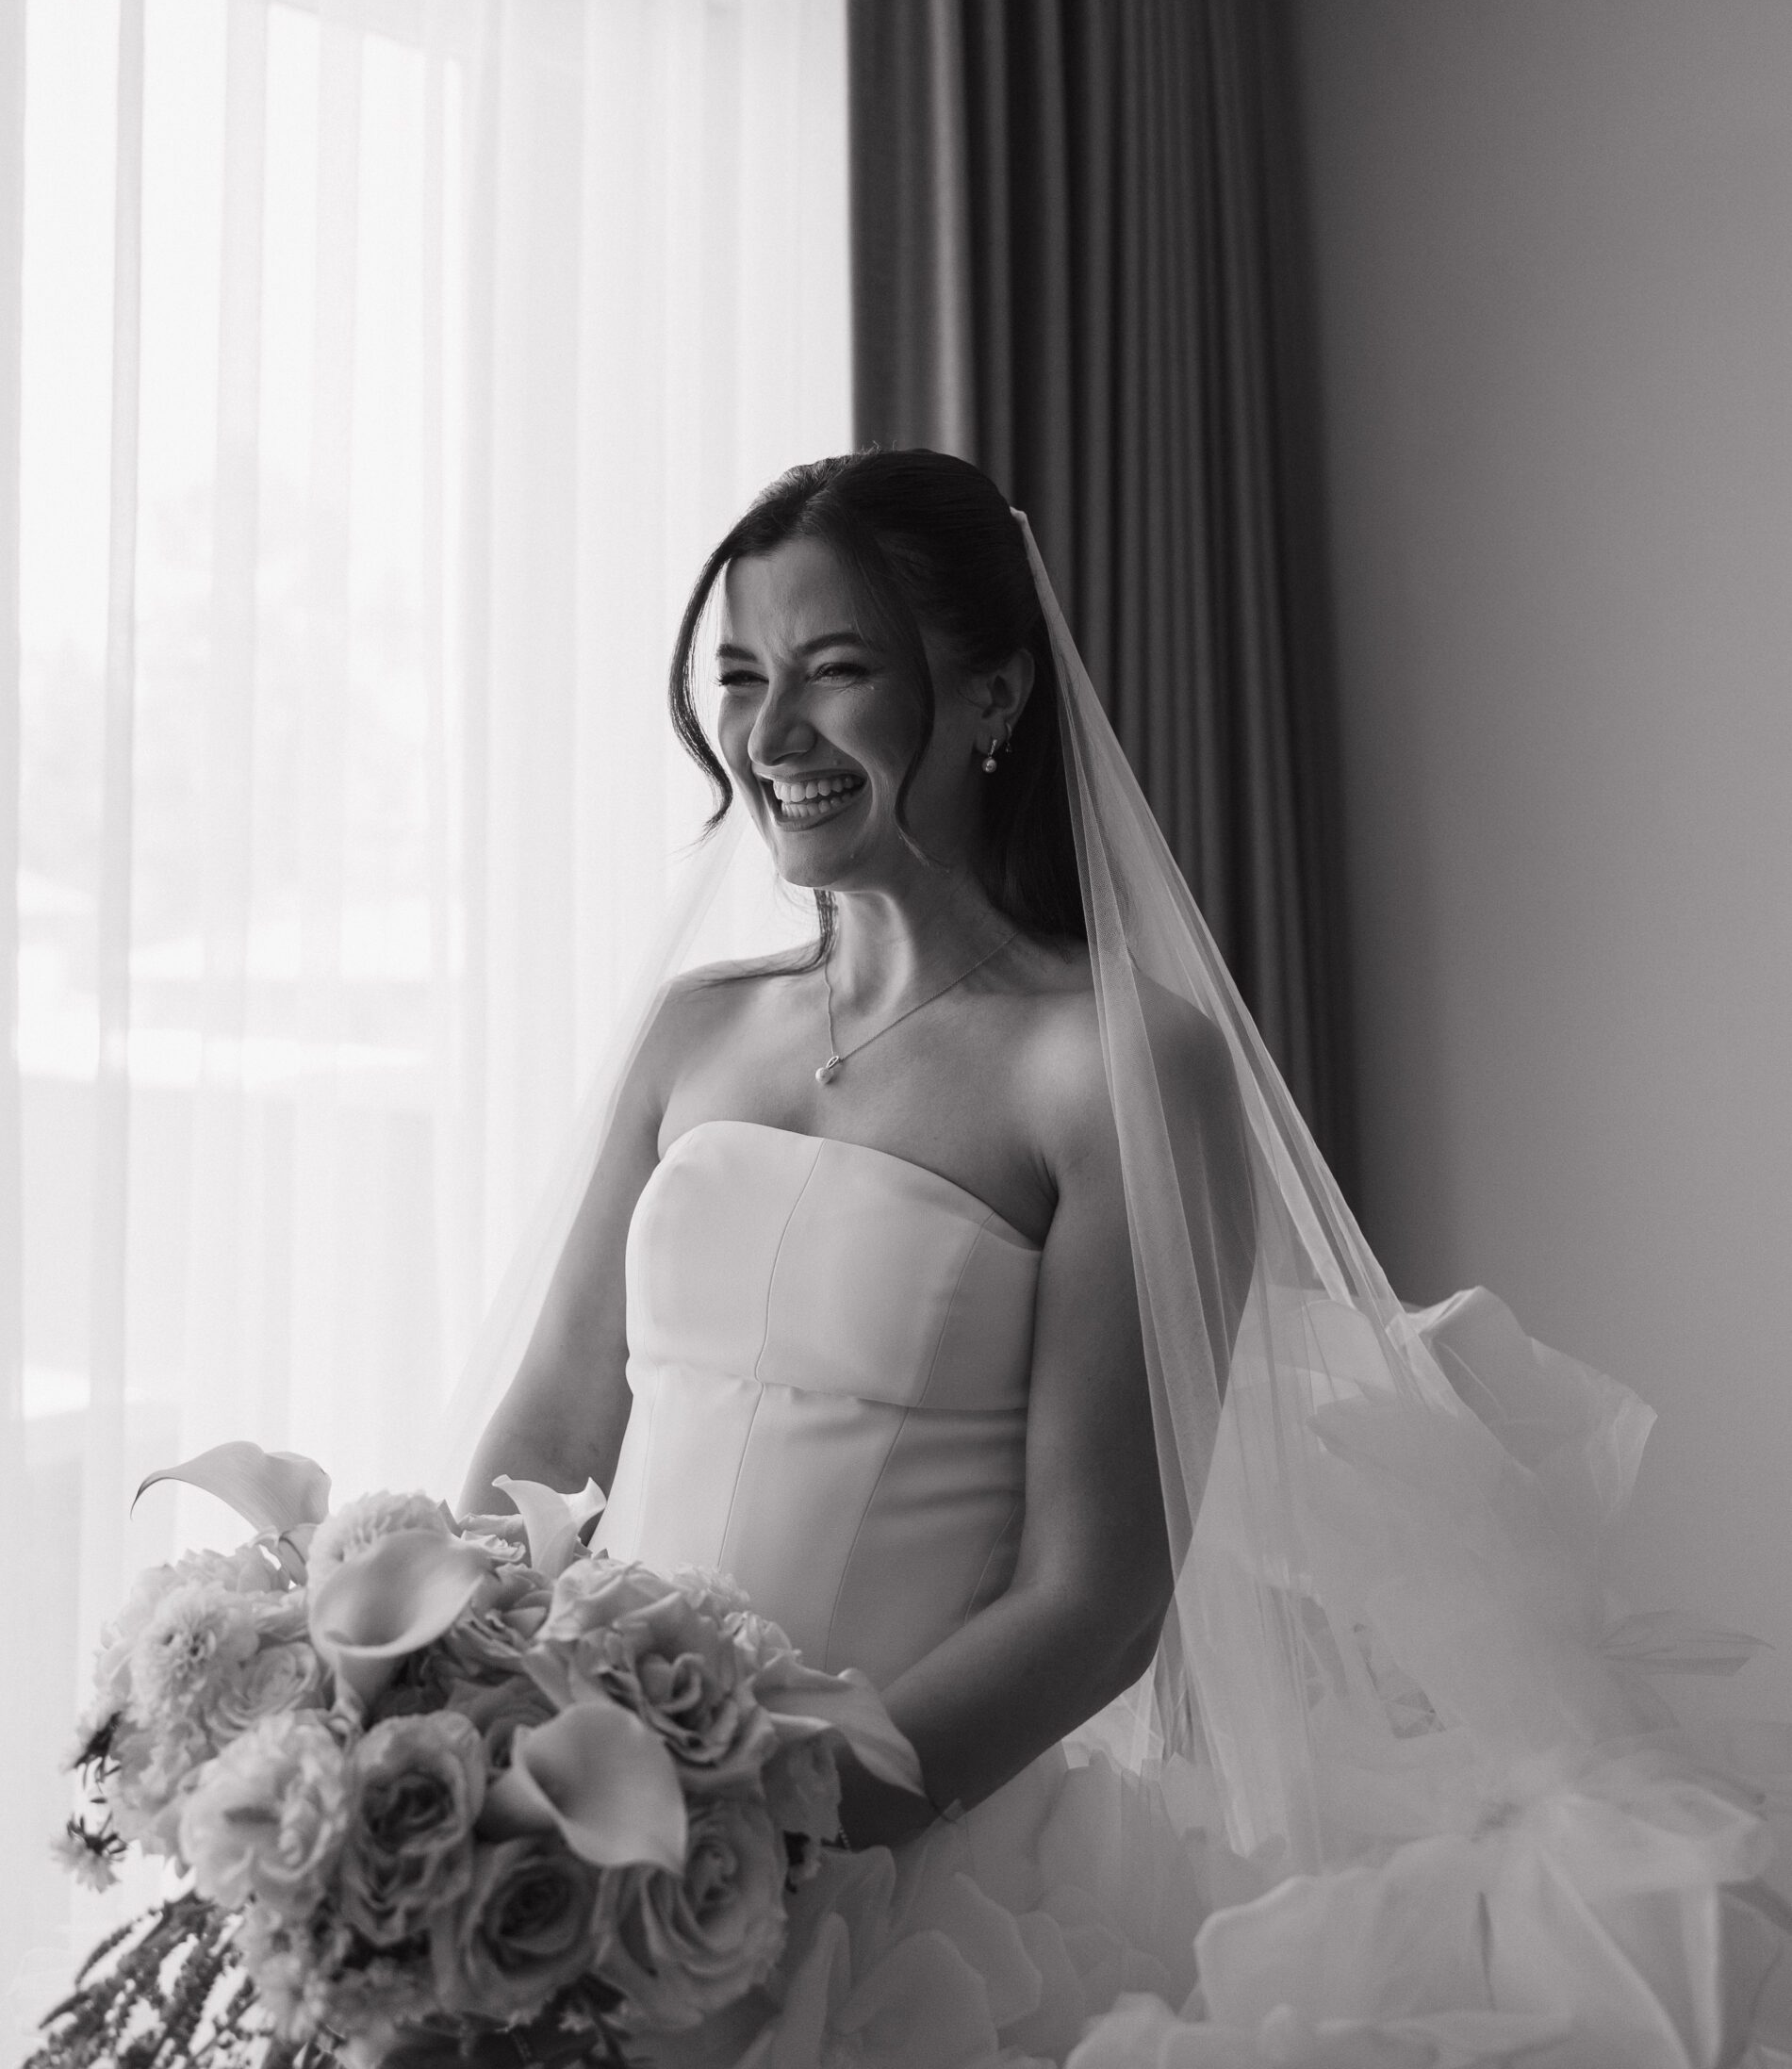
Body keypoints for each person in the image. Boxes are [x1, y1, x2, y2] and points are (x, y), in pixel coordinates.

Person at [461, 451, 1789, 2069]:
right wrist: (448, 1737)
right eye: (740, 678)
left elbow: (1095, 1600)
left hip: (886, 1868)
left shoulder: (1111, 1065)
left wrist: (763, 1832)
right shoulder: (693, 1032)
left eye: (836, 671)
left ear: (994, 692)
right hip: (585, 1835)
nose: (773, 735)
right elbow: (550, 1431)